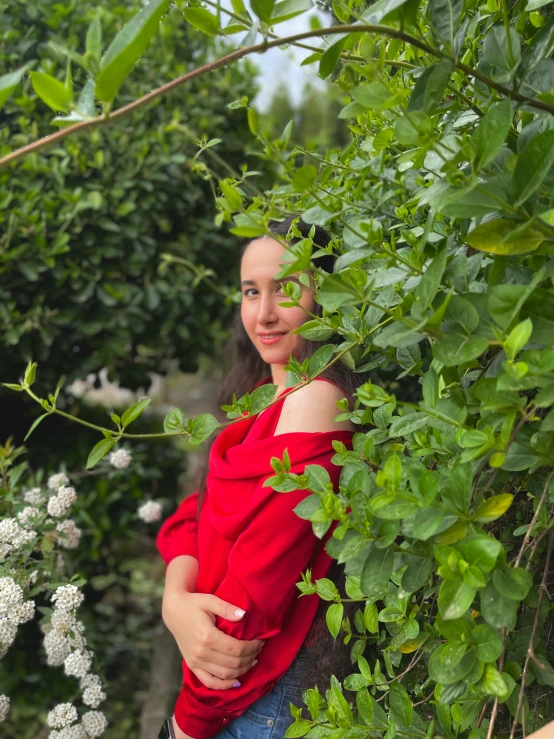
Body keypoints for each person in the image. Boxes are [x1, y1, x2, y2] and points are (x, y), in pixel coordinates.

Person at [156, 217, 366, 739]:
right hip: (232, 698)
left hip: (255, 700)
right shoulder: (257, 395)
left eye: (287, 289)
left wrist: (187, 724)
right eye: (252, 292)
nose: (265, 314)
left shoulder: (316, 399)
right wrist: (175, 599)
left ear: (326, 295)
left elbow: (253, 600)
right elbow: (195, 513)